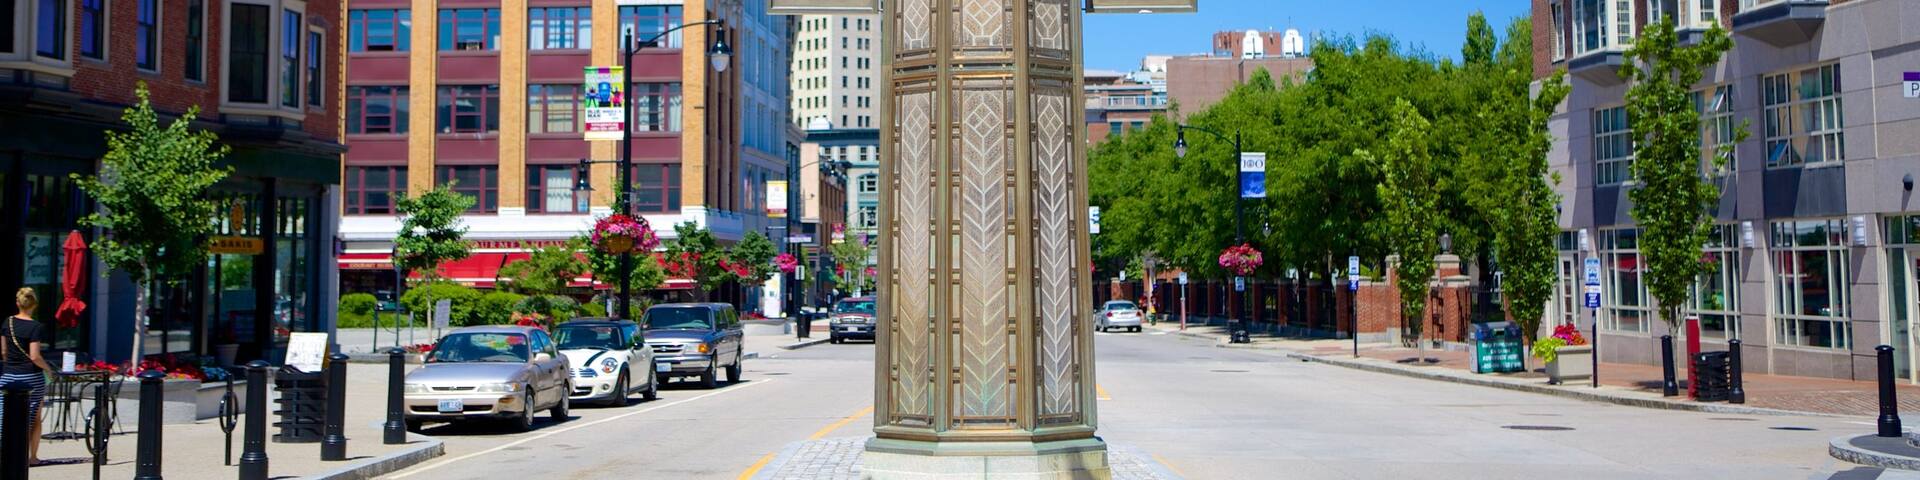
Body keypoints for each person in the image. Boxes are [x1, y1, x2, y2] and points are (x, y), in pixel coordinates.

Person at [2, 288, 52, 466]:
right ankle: (31, 457)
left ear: (18, 303)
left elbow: (4, 352)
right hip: (31, 377)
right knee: (33, 417)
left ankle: (5, 455)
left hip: (8, 375)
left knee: (4, 416)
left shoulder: (7, 323)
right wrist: (48, 369)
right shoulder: (35, 327)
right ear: (35, 305)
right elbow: (35, 356)